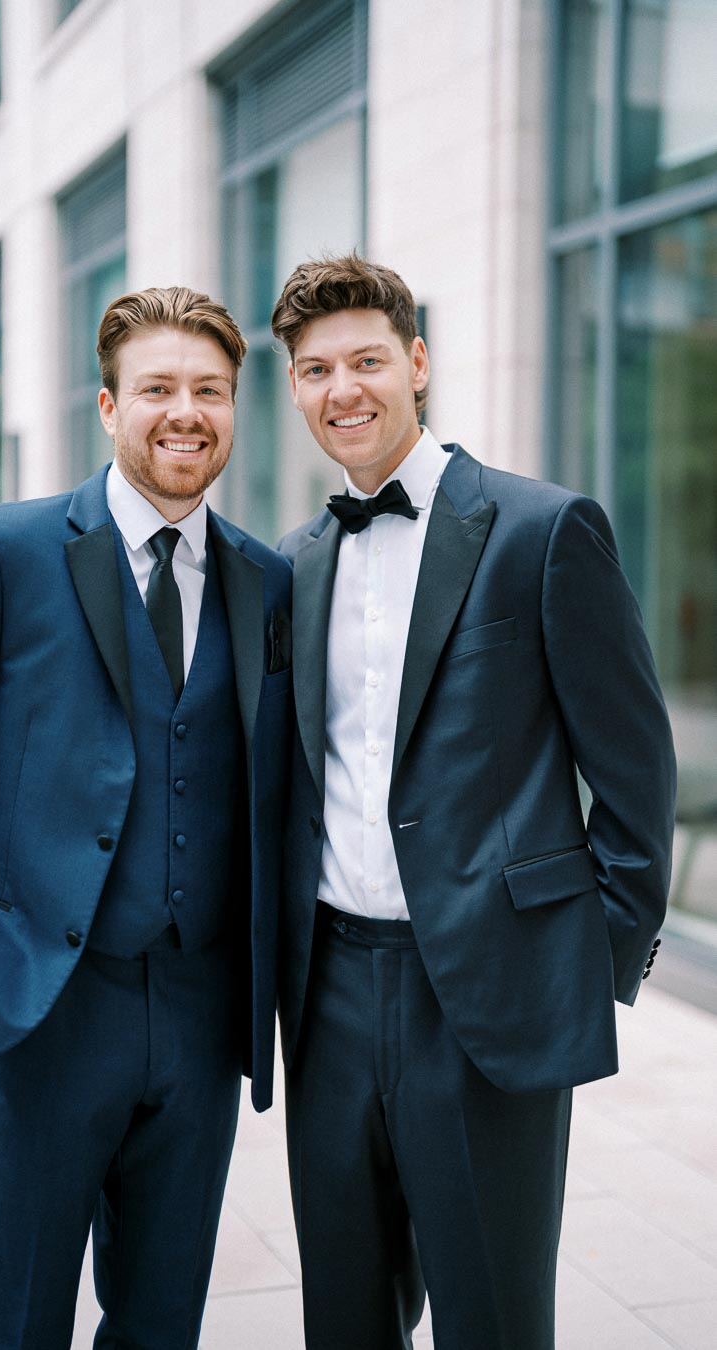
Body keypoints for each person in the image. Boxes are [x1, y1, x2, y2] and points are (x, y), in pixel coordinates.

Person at [0, 285, 292, 1349]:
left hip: (197, 1018)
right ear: (107, 405)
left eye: (211, 390)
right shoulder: (2, 551)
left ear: (235, 407)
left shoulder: (267, 582)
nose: (185, 411)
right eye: (158, 389)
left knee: (161, 1327)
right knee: (15, 1327)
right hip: (35, 1011)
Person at [271, 254, 675, 1350]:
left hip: (491, 996)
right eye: (314, 370)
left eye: (365, 360)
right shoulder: (294, 566)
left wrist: (592, 962)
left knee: (492, 1318)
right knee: (343, 1318)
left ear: (418, 362)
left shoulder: (544, 531)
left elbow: (636, 770)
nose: (342, 390)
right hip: (329, 999)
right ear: (294, 389)